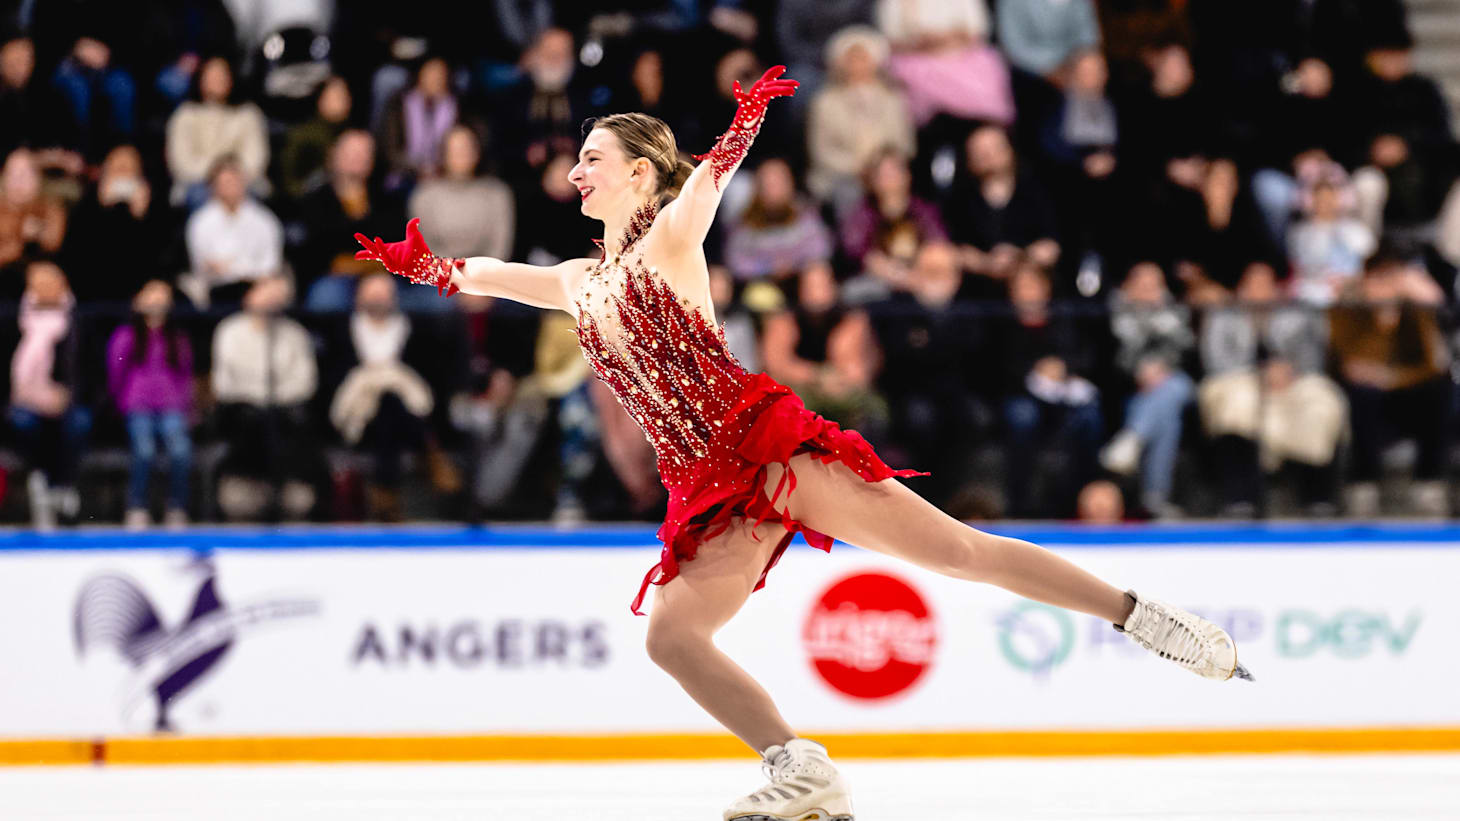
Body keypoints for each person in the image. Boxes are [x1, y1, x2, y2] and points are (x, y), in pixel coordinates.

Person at [353, 68, 1250, 821]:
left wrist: (743, 123)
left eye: (592, 158)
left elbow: (706, 187)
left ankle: (1141, 615)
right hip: (706, 483)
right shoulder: (578, 279)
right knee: (673, 636)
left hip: (768, 448)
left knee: (959, 552)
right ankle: (800, 764)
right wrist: (425, 266)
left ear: (638, 172)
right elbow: (489, 275)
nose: (575, 171)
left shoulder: (670, 239)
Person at [210, 275, 322, 521]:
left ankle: (293, 488)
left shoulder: (295, 333)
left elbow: (305, 381)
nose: (271, 298)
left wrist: (276, 401)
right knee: (251, 420)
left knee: (294, 420)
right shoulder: (229, 331)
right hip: (243, 406)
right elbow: (225, 382)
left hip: (284, 406)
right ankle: (243, 486)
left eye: (276, 294)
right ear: (248, 297)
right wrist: (259, 399)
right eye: (264, 291)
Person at [106, 280, 194, 529]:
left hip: (171, 406)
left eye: (163, 296)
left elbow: (185, 375)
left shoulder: (177, 338)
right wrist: (121, 402)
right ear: (137, 301)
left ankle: (177, 506)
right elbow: (116, 372)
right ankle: (137, 506)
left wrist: (187, 406)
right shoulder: (126, 336)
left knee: (180, 450)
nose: (157, 300)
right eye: (151, 294)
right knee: (144, 450)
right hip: (138, 406)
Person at [164, 56, 268, 209]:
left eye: (222, 74)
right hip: (198, 181)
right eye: (212, 75)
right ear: (200, 79)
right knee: (199, 195)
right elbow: (181, 162)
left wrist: (231, 177)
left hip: (242, 180)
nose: (218, 79)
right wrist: (217, 175)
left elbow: (256, 158)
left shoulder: (248, 113)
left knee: (250, 197)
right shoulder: (185, 114)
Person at [184, 155, 284, 307]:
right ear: (213, 186)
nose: (231, 187)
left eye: (235, 181)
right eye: (225, 182)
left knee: (274, 290)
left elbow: (270, 266)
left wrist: (232, 267)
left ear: (244, 182)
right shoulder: (200, 222)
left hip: (258, 289)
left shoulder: (265, 220)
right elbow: (203, 266)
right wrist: (244, 268)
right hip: (216, 290)